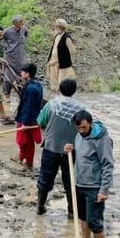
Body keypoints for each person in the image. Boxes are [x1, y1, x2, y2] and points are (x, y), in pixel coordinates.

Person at [64, 110, 113, 238]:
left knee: (94, 221)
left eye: (84, 128)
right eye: (78, 128)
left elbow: (107, 165)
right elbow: (83, 154)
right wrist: (71, 149)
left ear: (90, 124)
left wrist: (104, 190)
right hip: (79, 183)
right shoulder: (79, 135)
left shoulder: (102, 140)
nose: (81, 131)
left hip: (94, 187)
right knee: (83, 217)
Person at [36, 78, 84, 216]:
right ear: (74, 91)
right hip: (71, 151)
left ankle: (40, 206)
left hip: (51, 148)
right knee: (70, 180)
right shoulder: (81, 109)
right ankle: (71, 211)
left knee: (45, 177)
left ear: (59, 89)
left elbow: (40, 121)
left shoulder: (51, 104)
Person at [14, 63, 43, 169]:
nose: (21, 73)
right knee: (24, 141)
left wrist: (25, 123)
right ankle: (21, 157)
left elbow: (28, 106)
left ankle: (28, 162)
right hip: (32, 117)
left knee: (26, 141)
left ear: (27, 74)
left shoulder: (31, 89)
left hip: (27, 119)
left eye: (22, 72)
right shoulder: (37, 85)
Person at [1, 15, 30, 110]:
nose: (20, 26)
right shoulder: (7, 31)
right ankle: (6, 94)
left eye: (21, 24)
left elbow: (26, 34)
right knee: (8, 77)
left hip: (21, 58)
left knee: (21, 77)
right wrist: (5, 47)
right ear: (14, 24)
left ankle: (21, 95)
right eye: (18, 25)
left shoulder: (23, 29)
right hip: (9, 58)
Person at [46, 19, 76, 92]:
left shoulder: (67, 37)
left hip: (62, 64)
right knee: (54, 83)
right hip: (53, 63)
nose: (56, 28)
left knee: (61, 83)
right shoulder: (56, 36)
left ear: (62, 27)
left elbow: (72, 51)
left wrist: (67, 60)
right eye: (56, 26)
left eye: (58, 26)